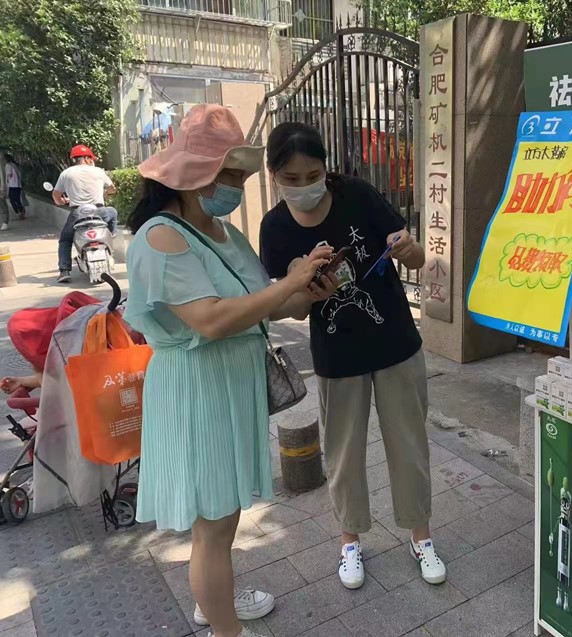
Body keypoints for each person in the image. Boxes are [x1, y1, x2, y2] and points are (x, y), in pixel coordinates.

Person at [124, 105, 335, 637]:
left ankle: (215, 602)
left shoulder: (222, 233)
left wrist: (306, 290)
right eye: (231, 175)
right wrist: (287, 286)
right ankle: (225, 627)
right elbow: (212, 320)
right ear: (197, 173)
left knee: (224, 517)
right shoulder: (161, 237)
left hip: (228, 388)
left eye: (241, 175)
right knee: (214, 526)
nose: (238, 187)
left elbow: (266, 305)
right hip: (198, 391)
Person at [259, 122, 446, 591]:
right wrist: (309, 289)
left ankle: (420, 536)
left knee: (409, 444)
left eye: (313, 175)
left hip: (395, 342)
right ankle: (350, 542)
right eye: (291, 178)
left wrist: (409, 248)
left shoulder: (358, 196)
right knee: (343, 455)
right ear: (273, 174)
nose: (304, 186)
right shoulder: (275, 227)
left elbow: (417, 259)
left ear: (327, 168)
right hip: (337, 354)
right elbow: (290, 309)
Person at [53, 144, 119, 283]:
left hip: (78, 213)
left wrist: (60, 201)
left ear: (74, 159)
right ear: (88, 159)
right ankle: (109, 236)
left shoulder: (66, 173)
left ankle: (64, 271)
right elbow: (112, 188)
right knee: (112, 212)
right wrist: (105, 193)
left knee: (65, 240)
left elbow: (56, 194)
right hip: (99, 212)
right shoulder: (98, 171)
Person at [5, 155, 25, 221]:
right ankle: (21, 212)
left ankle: (17, 213)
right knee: (17, 199)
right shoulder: (15, 165)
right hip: (18, 185)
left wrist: (6, 181)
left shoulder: (8, 165)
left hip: (12, 185)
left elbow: (9, 174)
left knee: (12, 200)